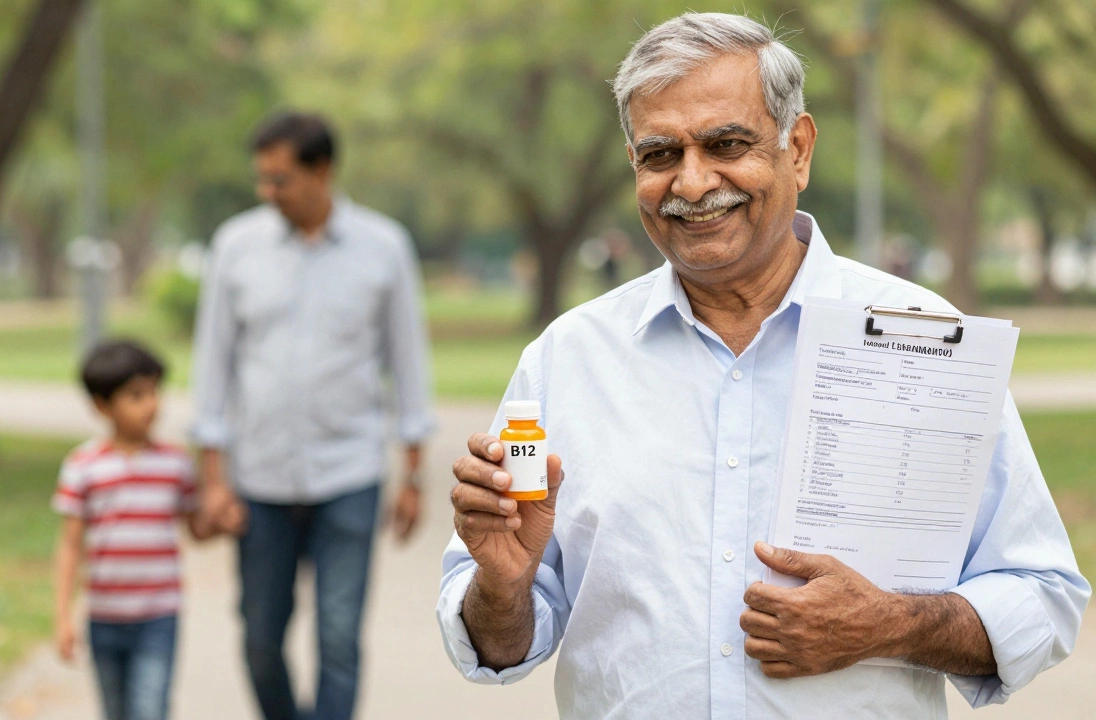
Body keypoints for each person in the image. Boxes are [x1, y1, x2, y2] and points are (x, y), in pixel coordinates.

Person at [439, 12, 1089, 719]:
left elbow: (1043, 596)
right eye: (659, 155)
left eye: (726, 143)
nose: (691, 182)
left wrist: (890, 622)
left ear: (799, 149)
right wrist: (502, 587)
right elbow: (496, 644)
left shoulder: (927, 339)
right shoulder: (568, 360)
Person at [190, 111, 436, 720]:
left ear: (322, 170)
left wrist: (411, 475)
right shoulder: (235, 246)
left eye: (280, 179)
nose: (267, 193)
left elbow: (408, 363)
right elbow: (212, 366)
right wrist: (213, 478)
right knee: (260, 639)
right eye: (262, 180)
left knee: (338, 638)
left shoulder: (384, 248)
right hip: (260, 480)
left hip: (347, 475)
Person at [53, 340, 211, 720]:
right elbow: (70, 545)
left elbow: (196, 528)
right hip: (104, 616)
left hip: (159, 613)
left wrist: (221, 519)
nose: (152, 404)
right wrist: (62, 615)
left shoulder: (175, 465)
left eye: (155, 391)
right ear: (102, 406)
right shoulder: (83, 466)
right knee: (116, 711)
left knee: (150, 710)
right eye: (136, 396)